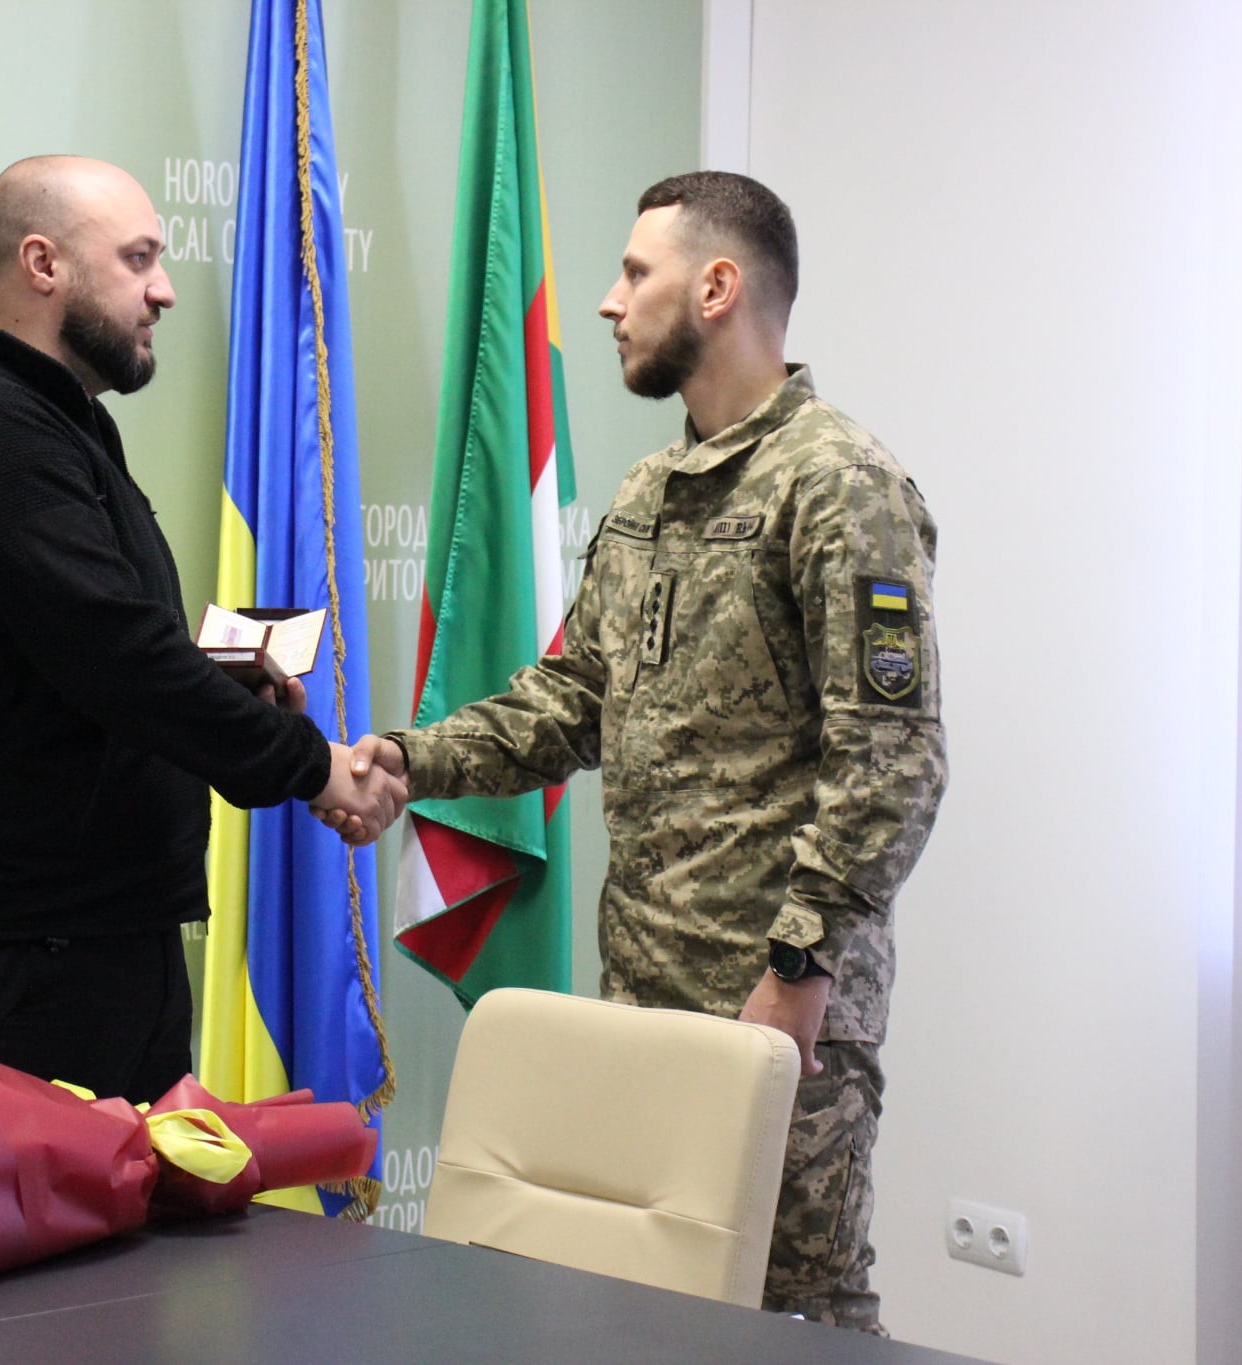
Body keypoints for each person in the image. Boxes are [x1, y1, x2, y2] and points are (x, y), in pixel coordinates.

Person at [354, 171, 945, 1332]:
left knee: (799, 1321)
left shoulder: (838, 486)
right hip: (640, 1001)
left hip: (774, 1013)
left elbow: (891, 763)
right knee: (649, 1319)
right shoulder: (648, 496)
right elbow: (570, 702)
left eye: (635, 273)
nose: (608, 302)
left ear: (716, 288)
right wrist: (404, 763)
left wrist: (795, 972)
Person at [0, 155, 403, 1106]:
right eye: (138, 257)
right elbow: (119, 657)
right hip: (24, 965)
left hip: (99, 946)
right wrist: (312, 765)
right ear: (43, 264)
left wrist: (230, 699)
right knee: (59, 1215)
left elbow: (84, 666)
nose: (165, 289)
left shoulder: (58, 423)